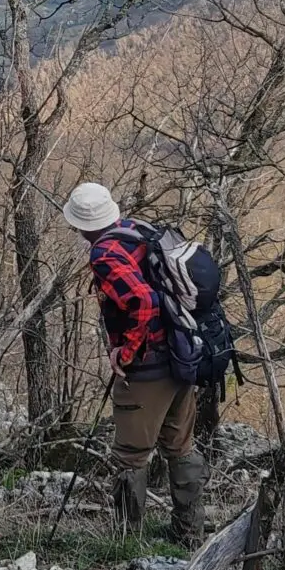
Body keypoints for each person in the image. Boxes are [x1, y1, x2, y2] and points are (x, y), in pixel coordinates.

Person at [62, 181, 207, 546]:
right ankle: (189, 534)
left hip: (148, 366)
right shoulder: (138, 231)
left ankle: (127, 541)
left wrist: (125, 353)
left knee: (130, 456)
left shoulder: (105, 255)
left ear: (81, 224)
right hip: (181, 353)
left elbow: (143, 301)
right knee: (181, 445)